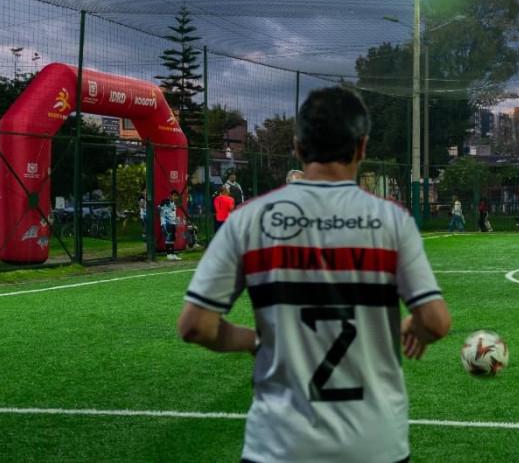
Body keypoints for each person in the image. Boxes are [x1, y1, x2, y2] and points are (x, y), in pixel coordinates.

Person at [177, 86, 450, 463]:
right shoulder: (392, 221)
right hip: (375, 445)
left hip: (279, 446)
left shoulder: (248, 220)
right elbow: (435, 323)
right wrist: (410, 328)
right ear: (362, 148)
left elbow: (196, 326)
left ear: (298, 148)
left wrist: (258, 341)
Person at [159, 190, 181, 261]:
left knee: (172, 239)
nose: (175, 197)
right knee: (168, 238)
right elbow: (161, 212)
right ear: (171, 195)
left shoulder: (174, 203)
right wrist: (163, 224)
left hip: (173, 223)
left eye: (176, 196)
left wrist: (176, 221)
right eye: (174, 196)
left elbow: (173, 213)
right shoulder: (165, 202)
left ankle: (173, 254)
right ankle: (168, 254)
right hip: (167, 223)